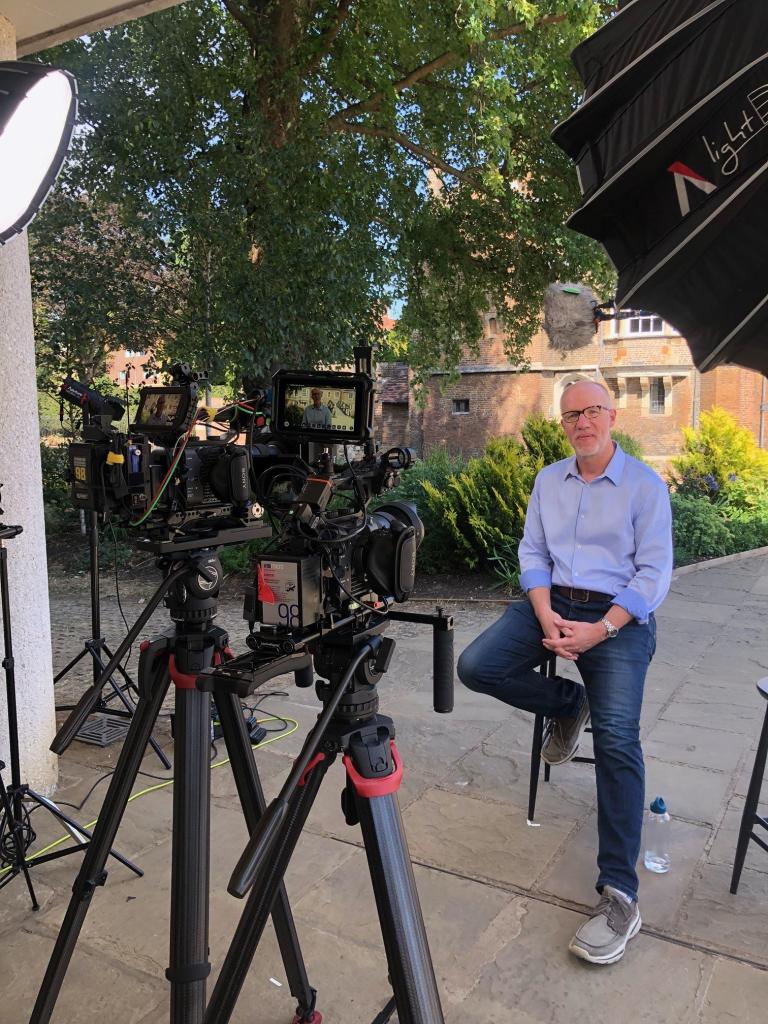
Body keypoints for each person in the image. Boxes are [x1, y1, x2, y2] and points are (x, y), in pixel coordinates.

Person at [457, 378, 672, 966]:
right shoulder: (549, 481)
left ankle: (619, 893)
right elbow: (533, 553)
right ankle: (564, 704)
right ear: (563, 424)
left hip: (619, 619)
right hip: (552, 605)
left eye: (593, 410)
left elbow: (654, 575)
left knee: (620, 741)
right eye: (572, 414)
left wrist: (601, 628)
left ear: (612, 415)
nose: (583, 422)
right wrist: (547, 613)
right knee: (476, 666)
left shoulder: (644, 487)